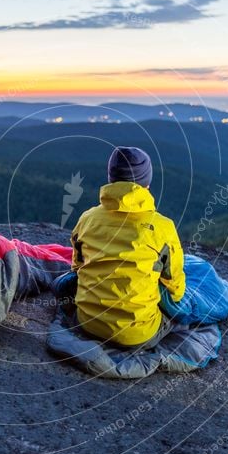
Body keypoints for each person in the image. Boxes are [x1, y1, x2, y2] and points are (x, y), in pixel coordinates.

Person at [53, 146, 186, 349]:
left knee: (65, 282)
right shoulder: (162, 227)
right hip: (137, 336)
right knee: (180, 299)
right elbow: (175, 287)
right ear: (146, 184)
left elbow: (77, 268)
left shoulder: (87, 219)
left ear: (111, 178)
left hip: (86, 324)